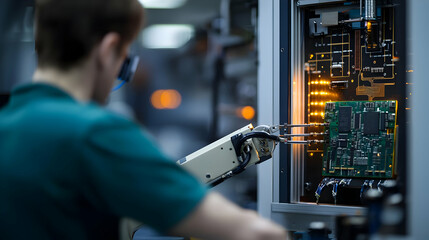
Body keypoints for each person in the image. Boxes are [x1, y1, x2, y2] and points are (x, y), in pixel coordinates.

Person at [0, 0, 288, 239]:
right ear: (108, 49)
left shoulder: (7, 122)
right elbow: (257, 235)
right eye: (123, 63)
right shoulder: (95, 133)